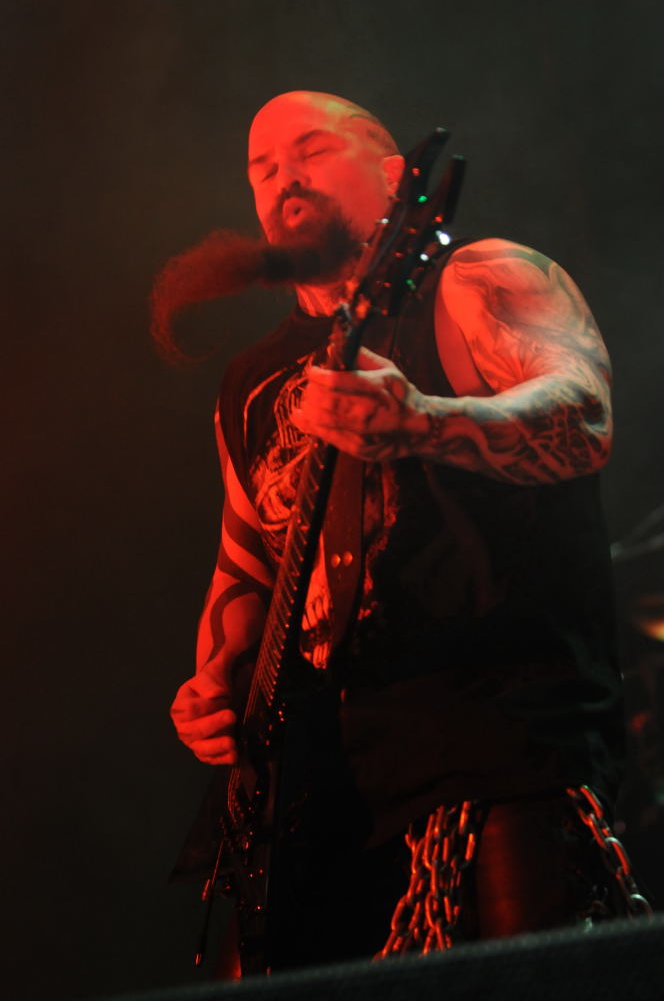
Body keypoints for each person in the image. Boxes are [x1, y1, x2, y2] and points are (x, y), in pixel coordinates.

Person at [162, 90, 637, 973]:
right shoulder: (249, 381)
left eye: (310, 151)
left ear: (393, 177)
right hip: (315, 805)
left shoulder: (477, 277)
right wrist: (215, 682)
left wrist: (423, 420)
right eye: (262, 169)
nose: (283, 178)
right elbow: (244, 568)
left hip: (494, 754)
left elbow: (583, 413)